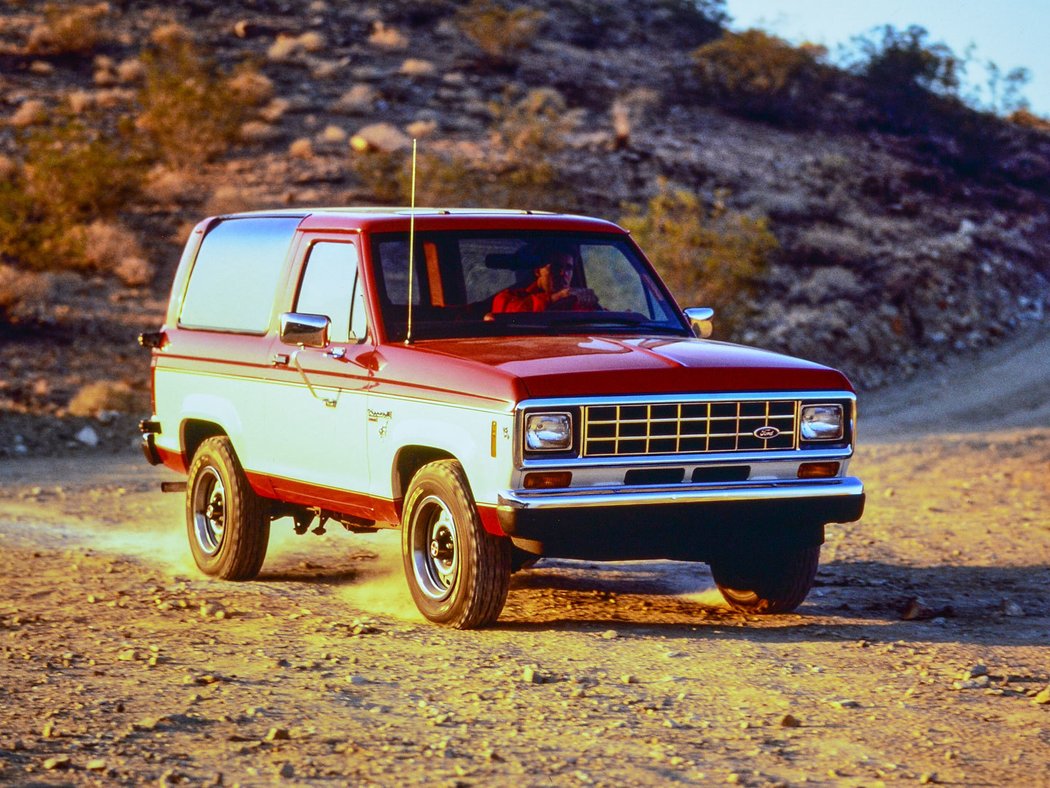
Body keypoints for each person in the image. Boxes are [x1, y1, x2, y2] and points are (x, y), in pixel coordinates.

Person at [489, 248, 599, 315]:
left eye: (568, 268)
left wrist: (591, 302)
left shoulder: (576, 302)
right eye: (555, 267)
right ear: (537, 270)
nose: (563, 273)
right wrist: (555, 298)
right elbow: (509, 313)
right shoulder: (509, 298)